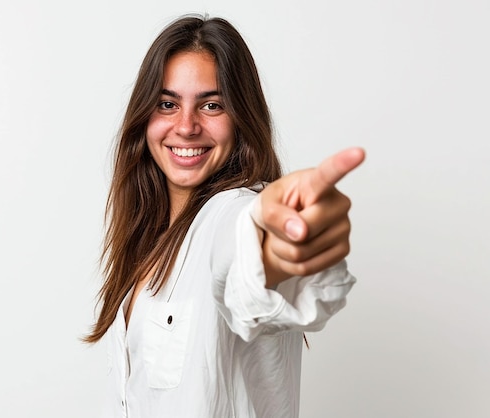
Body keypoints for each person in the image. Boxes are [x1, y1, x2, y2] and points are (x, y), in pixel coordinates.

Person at [84, 13, 365, 418]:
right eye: (167, 103)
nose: (186, 126)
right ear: (145, 115)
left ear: (241, 118)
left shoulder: (234, 214)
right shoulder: (148, 244)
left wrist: (287, 237)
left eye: (211, 105)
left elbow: (251, 248)